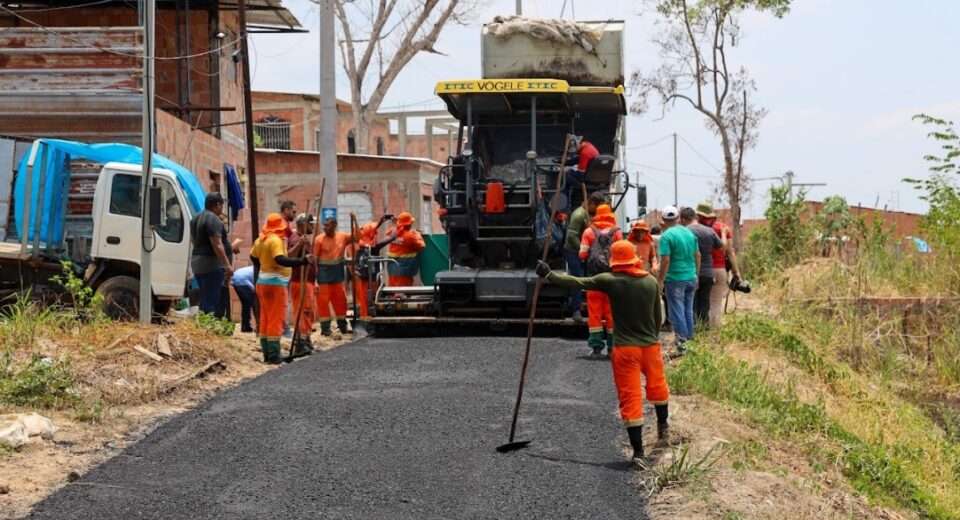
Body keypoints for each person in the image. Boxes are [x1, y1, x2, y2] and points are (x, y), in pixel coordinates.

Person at [537, 240, 669, 468]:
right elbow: (658, 318)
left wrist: (549, 275)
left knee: (630, 397)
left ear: (614, 260)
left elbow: (577, 281)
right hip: (650, 347)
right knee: (658, 387)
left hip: (625, 350)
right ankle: (663, 432)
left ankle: (638, 453)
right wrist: (652, 337)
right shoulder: (650, 281)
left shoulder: (610, 281)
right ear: (634, 257)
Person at [250, 213, 313, 364]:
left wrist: (264, 270)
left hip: (263, 283)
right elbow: (280, 259)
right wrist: (303, 260)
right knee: (276, 319)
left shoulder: (260, 239)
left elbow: (253, 257)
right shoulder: (275, 240)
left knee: (265, 318)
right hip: (275, 285)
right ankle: (274, 355)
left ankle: (267, 353)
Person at [578, 204, 622, 357]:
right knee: (611, 313)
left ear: (596, 215)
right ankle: (612, 348)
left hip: (594, 279)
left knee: (595, 313)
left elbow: (582, 255)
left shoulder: (589, 231)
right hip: (612, 279)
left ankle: (596, 348)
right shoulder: (616, 232)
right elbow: (621, 254)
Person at [656, 205, 700, 349]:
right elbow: (697, 255)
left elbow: (665, 260)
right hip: (691, 277)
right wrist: (696, 275)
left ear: (663, 219)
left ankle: (682, 345)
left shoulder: (666, 236)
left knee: (677, 312)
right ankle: (689, 342)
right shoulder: (689, 233)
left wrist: (660, 280)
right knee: (688, 310)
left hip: (675, 279)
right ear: (678, 218)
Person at [695, 202, 743, 326]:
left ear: (699, 215)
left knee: (699, 302)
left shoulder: (694, 229)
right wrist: (736, 273)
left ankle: (700, 330)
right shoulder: (723, 228)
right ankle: (713, 333)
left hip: (700, 270)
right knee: (715, 303)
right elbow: (730, 252)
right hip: (719, 270)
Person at [562, 191, 605, 322]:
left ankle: (592, 309)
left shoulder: (592, 215)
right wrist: (583, 249)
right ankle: (576, 310)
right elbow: (571, 237)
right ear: (591, 203)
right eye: (596, 207)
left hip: (587, 252)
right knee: (578, 279)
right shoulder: (578, 215)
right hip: (573, 251)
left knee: (590, 279)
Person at [189, 193, 234, 314]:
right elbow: (217, 244)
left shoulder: (196, 218)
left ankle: (203, 327)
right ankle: (209, 329)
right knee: (212, 301)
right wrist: (227, 265)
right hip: (211, 265)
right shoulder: (213, 219)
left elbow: (193, 240)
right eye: (222, 205)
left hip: (197, 263)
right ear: (217, 205)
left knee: (204, 299)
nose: (222, 208)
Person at [313, 216, 357, 336]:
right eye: (324, 225)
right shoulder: (319, 240)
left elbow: (357, 237)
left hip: (337, 278)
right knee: (323, 304)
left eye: (327, 225)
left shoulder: (343, 237)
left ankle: (342, 326)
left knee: (341, 302)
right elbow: (314, 262)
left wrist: (355, 221)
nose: (325, 227)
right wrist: (315, 280)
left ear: (334, 225)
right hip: (323, 279)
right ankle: (325, 329)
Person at [681, 207, 722, 328]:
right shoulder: (710, 231)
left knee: (691, 305)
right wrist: (724, 234)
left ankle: (693, 332)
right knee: (705, 305)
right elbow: (722, 247)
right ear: (696, 217)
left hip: (690, 274)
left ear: (683, 220)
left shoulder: (684, 232)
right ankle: (704, 332)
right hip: (708, 274)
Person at [354, 215, 396, 321]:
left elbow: (370, 230)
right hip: (373, 279)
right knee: (374, 297)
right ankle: (372, 318)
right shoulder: (375, 246)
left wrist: (381, 220)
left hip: (363, 280)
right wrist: (394, 223)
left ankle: (365, 319)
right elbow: (393, 236)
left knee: (364, 300)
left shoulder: (360, 247)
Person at [288, 213, 318, 354]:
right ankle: (300, 342)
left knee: (308, 311)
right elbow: (291, 256)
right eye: (310, 224)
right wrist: (301, 243)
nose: (312, 226)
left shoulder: (305, 240)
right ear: (302, 224)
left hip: (308, 282)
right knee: (302, 311)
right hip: (300, 281)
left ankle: (306, 339)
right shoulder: (296, 239)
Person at [214, 212, 242, 321]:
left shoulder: (222, 236)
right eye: (223, 223)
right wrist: (232, 246)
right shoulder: (215, 236)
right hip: (219, 273)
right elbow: (218, 249)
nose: (224, 226)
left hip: (225, 276)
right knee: (219, 303)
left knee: (224, 303)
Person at [386, 212, 426, 287]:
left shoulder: (392, 232)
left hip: (392, 268)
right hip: (404, 270)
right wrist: (418, 235)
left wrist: (411, 231)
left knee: (392, 291)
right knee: (403, 294)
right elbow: (422, 246)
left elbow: (400, 234)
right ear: (409, 224)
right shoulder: (410, 236)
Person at [231, 266, 257, 333]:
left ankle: (245, 327)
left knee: (246, 304)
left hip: (235, 279)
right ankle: (260, 327)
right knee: (256, 304)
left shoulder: (255, 267)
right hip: (243, 280)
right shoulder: (263, 270)